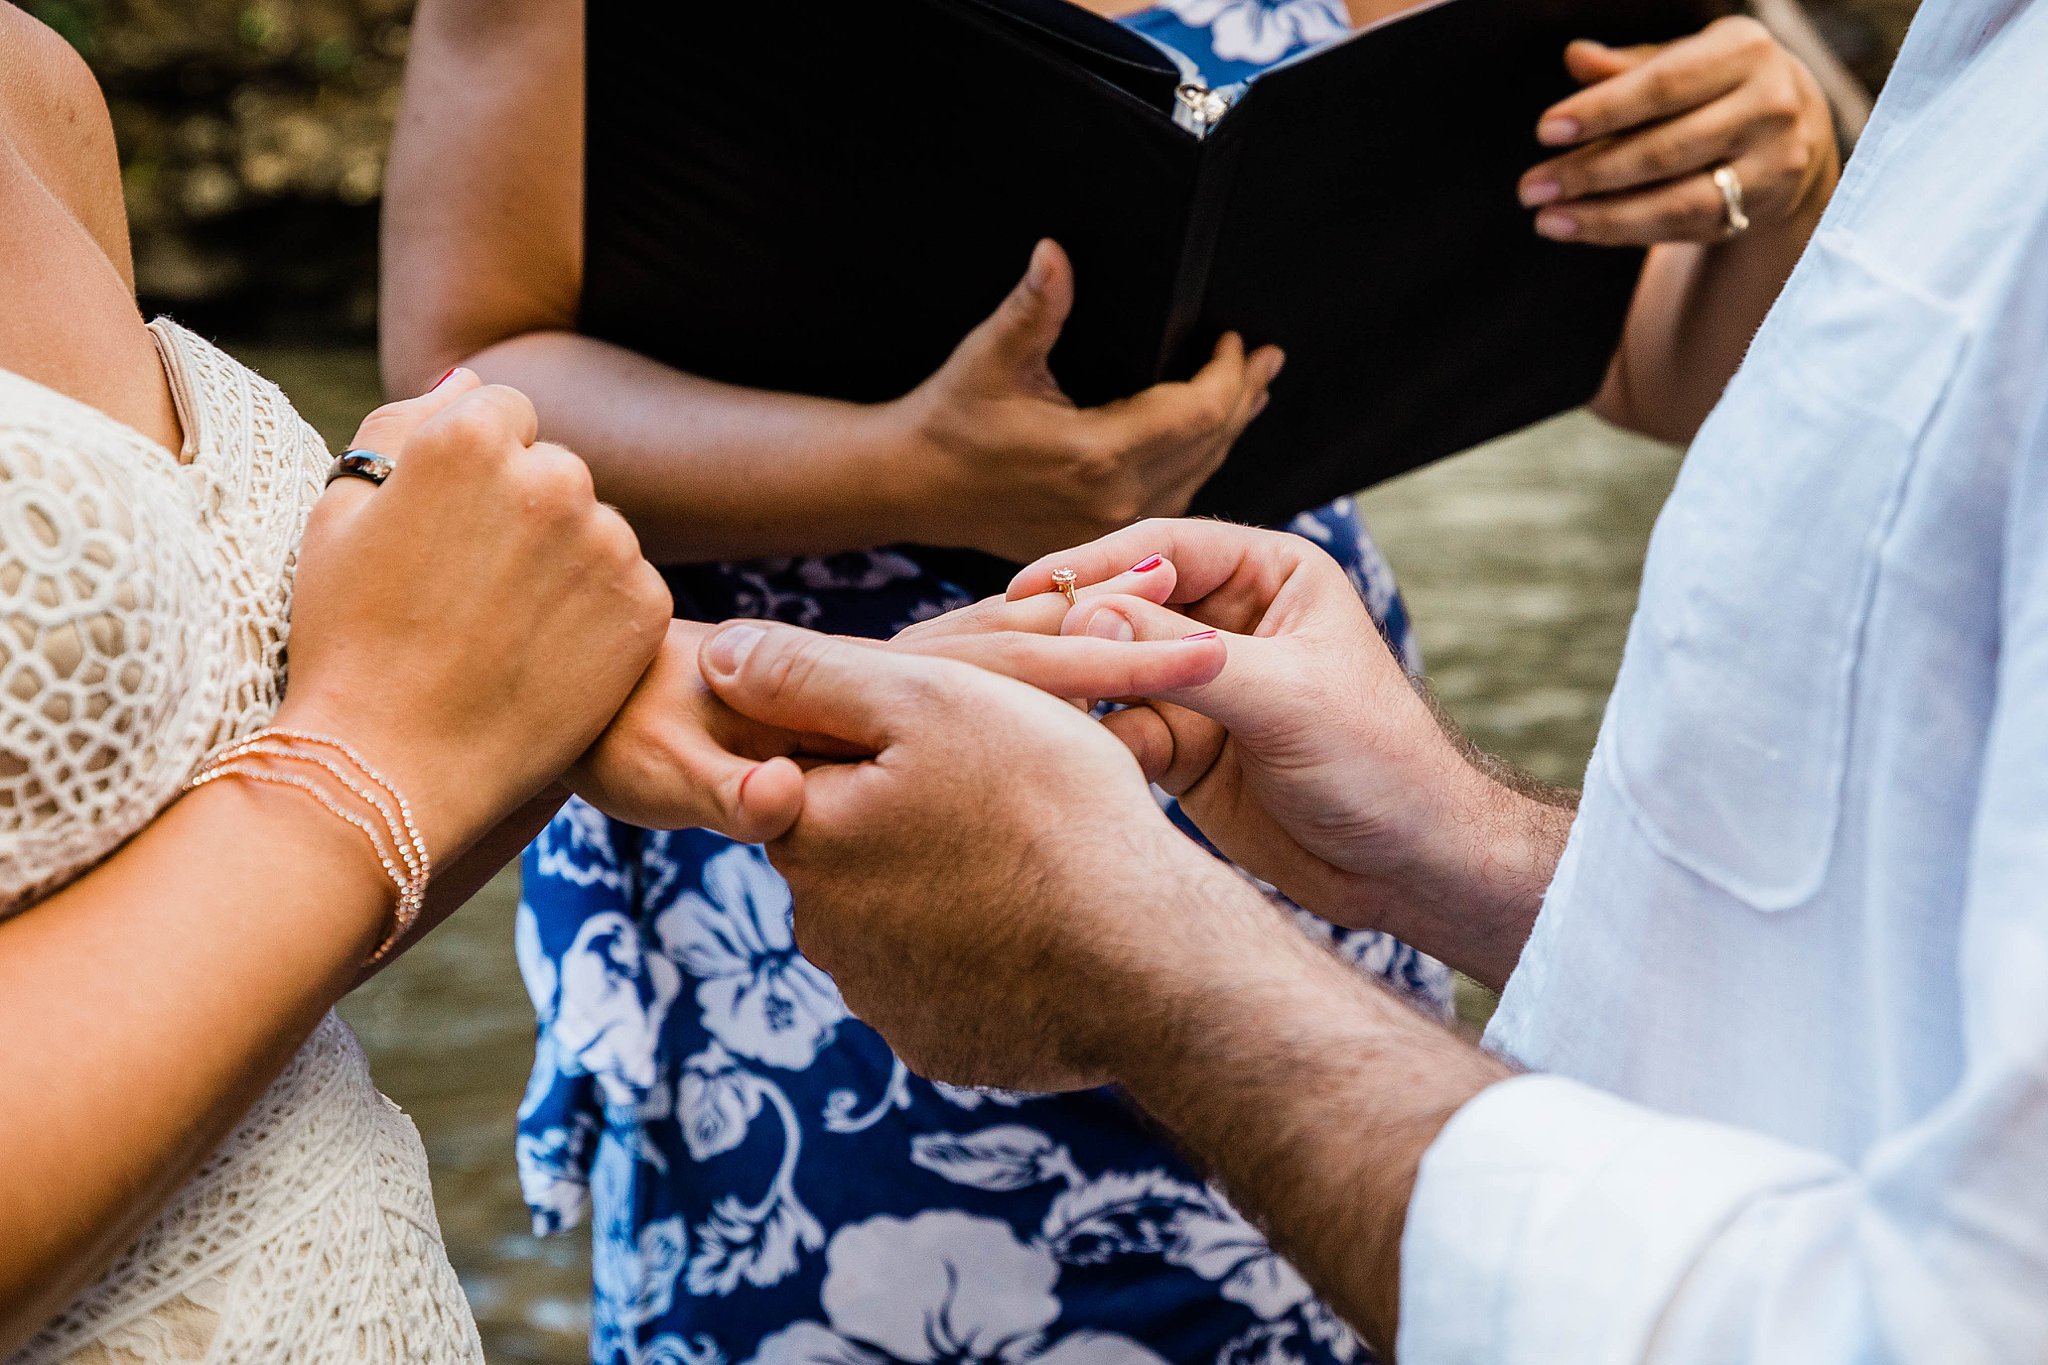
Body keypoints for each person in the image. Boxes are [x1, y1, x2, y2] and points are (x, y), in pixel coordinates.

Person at [379, 3, 1838, 1359]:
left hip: (1266, 769)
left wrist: (1768, 192)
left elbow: (1657, 368)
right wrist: (909, 470)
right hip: (787, 816)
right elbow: (459, 389)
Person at [691, 0, 2048, 1359]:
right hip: (1098, 798)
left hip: (1235, 862)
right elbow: (1908, 990)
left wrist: (1143, 953)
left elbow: (1961, 1309)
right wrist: (1458, 846)